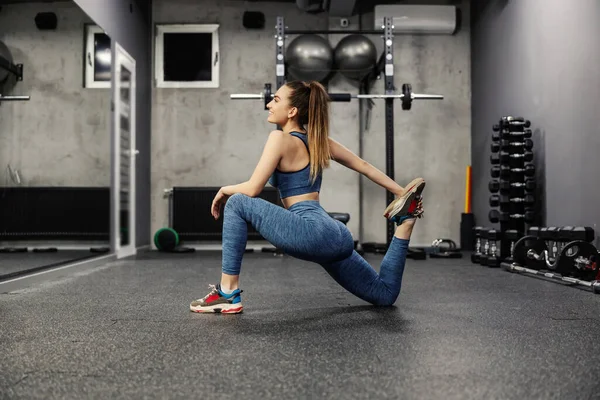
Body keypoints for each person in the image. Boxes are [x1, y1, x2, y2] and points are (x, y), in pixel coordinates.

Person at [190, 80, 425, 314]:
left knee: (237, 202)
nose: (270, 104)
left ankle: (228, 293)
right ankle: (406, 223)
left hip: (311, 231)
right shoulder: (318, 140)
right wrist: (401, 192)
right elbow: (363, 165)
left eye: (276, 100)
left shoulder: (279, 139)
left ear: (292, 111)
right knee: (384, 295)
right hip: (337, 234)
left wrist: (224, 189)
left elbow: (253, 189)